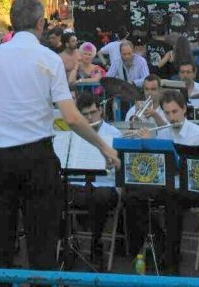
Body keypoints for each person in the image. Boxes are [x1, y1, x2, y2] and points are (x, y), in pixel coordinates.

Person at [0, 0, 119, 275]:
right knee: (42, 242)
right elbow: (72, 117)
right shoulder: (49, 60)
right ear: (41, 23)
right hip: (37, 157)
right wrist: (103, 146)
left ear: (12, 22)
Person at [126, 90, 199, 274]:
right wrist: (148, 143)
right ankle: (160, 242)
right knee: (132, 198)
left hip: (191, 187)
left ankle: (172, 261)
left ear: (184, 109)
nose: (172, 117)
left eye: (175, 112)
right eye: (167, 113)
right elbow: (158, 167)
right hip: (168, 185)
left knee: (173, 200)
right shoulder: (163, 132)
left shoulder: (197, 134)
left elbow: (191, 170)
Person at [68, 93, 120, 267]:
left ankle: (96, 243)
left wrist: (112, 163)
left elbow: (120, 169)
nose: (90, 118)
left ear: (100, 111)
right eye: (85, 114)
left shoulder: (114, 133)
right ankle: (67, 242)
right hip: (80, 184)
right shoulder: (74, 133)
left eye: (93, 113)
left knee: (100, 197)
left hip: (105, 185)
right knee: (55, 193)